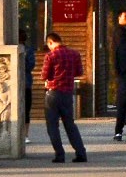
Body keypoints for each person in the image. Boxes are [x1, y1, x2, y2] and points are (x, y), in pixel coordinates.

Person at [40, 28, 88, 163]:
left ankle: (59, 154)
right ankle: (81, 153)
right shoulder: (75, 54)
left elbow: (44, 75)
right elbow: (79, 72)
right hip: (68, 93)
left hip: (53, 93)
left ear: (50, 43)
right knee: (70, 124)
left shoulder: (51, 56)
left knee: (52, 125)